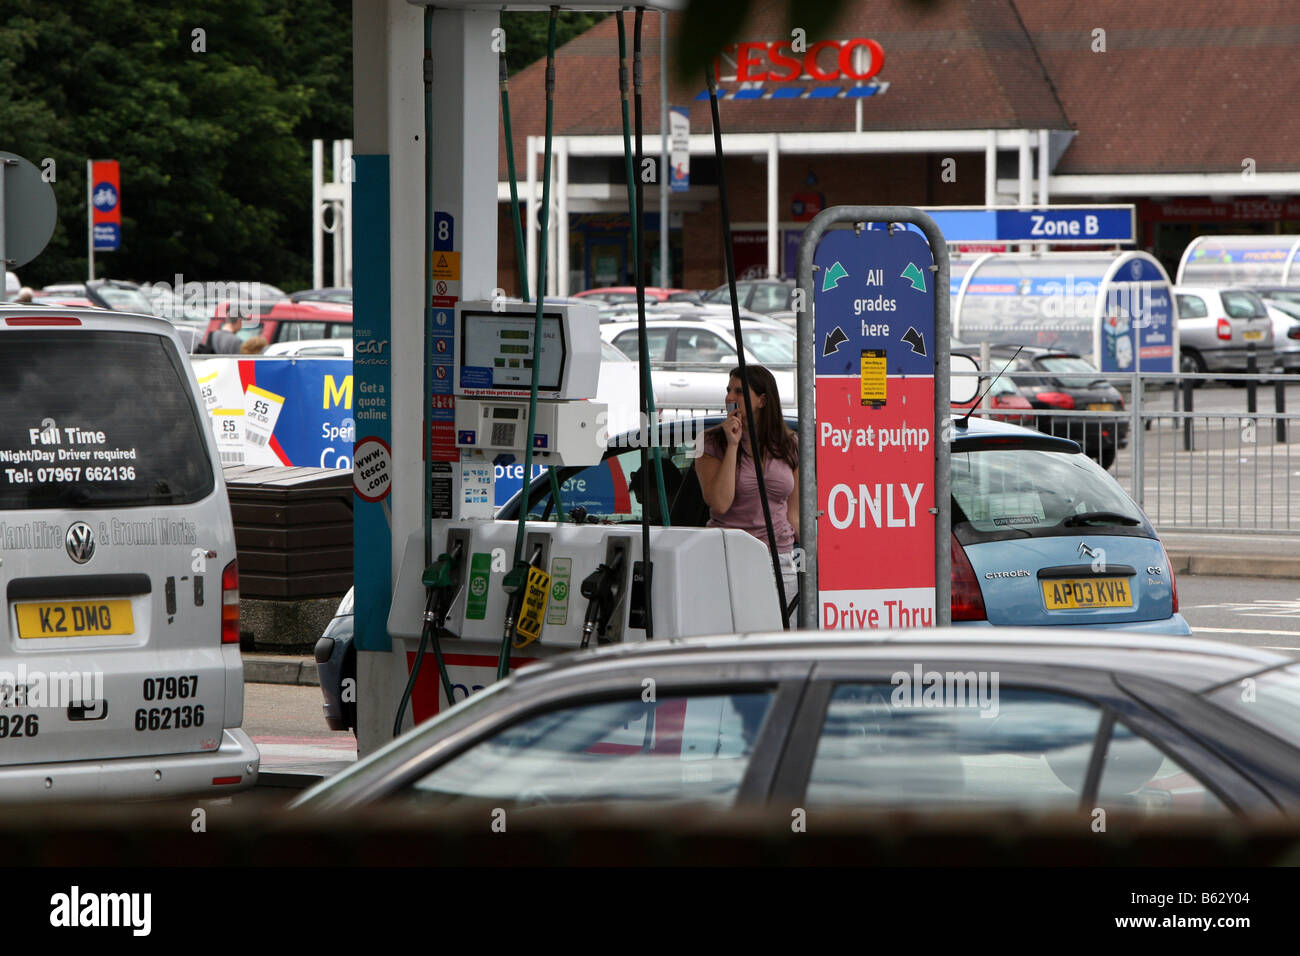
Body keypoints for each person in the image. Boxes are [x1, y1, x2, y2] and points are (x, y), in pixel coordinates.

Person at [696, 365, 799, 606]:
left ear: (762, 400)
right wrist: (732, 445)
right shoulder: (709, 442)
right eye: (728, 389)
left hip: (779, 557)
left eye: (739, 391)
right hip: (729, 554)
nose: (730, 397)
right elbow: (720, 503)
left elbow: (794, 512)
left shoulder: (789, 443)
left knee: (780, 635)